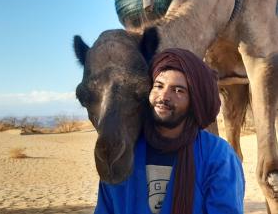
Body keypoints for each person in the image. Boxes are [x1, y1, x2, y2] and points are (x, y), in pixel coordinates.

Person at [94, 48, 245, 214]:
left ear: (194, 101)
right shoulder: (121, 152)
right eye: (158, 86)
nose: (164, 96)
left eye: (178, 90)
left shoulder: (217, 156)